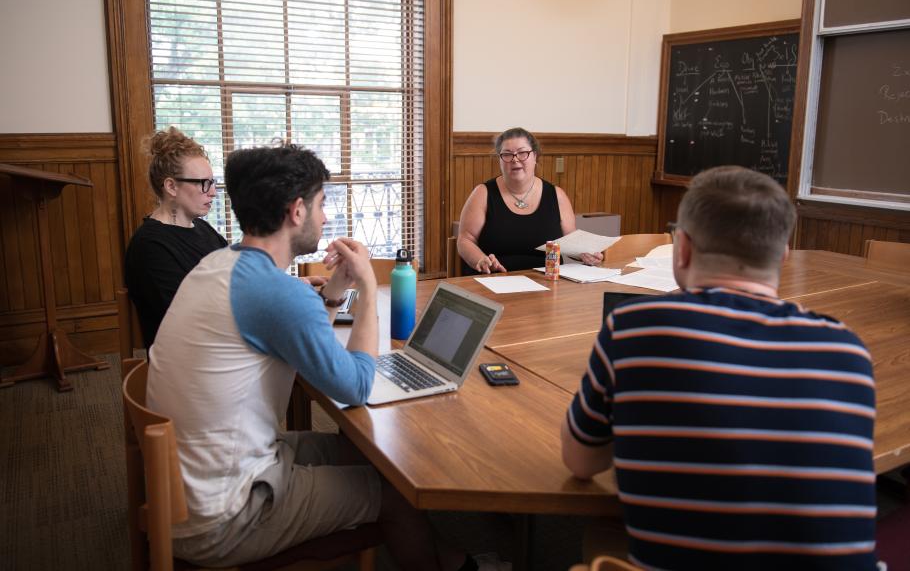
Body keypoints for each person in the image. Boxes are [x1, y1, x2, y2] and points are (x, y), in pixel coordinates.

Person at [146, 143, 503, 571]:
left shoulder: (220, 264)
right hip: (224, 515)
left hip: (190, 484)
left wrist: (335, 292)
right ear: (296, 211)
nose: (326, 217)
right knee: (395, 492)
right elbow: (356, 387)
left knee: (362, 453)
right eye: (321, 203)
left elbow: (290, 327)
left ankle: (449, 559)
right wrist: (369, 288)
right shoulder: (276, 292)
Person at [561, 166, 877, 570]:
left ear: (683, 248)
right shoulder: (848, 352)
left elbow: (582, 463)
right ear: (782, 254)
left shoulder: (634, 329)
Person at [124, 127, 227, 347]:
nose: (213, 192)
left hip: (219, 344)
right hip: (189, 360)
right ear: (171, 186)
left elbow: (240, 277)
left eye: (212, 182)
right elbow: (189, 320)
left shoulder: (204, 229)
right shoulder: (149, 246)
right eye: (203, 183)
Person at [457, 127, 603, 274]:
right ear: (499, 160)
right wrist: (481, 260)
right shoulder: (482, 193)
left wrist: (586, 254)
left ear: (535, 156)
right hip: (493, 280)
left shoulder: (557, 195)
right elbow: (465, 239)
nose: (515, 159)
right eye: (507, 154)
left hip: (546, 284)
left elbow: (571, 242)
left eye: (522, 153)